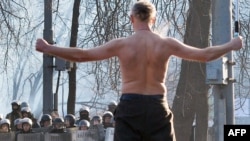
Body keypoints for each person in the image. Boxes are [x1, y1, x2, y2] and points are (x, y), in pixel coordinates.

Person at [35, 1, 243, 140]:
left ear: (131, 18)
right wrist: (231, 45)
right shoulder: (166, 44)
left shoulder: (122, 44)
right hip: (157, 107)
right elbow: (205, 54)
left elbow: (82, 55)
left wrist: (48, 48)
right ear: (153, 20)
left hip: (130, 106)